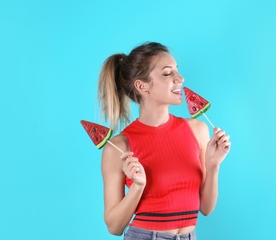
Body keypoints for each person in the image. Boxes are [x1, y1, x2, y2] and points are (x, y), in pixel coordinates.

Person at [98, 42, 231, 240]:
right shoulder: (119, 147)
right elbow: (114, 227)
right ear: (142, 86)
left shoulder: (198, 130)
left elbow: (206, 208)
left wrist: (213, 166)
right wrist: (138, 186)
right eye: (168, 73)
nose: (180, 78)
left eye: (177, 70)